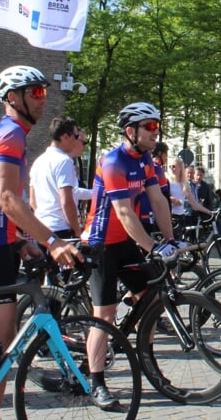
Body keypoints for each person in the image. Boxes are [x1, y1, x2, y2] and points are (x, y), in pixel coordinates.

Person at [0, 65, 81, 420]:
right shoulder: (10, 135)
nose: (43, 101)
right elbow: (8, 199)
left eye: (45, 93)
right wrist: (52, 241)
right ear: (13, 97)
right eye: (36, 93)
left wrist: (20, 240)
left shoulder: (1, 132)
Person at [82, 102, 178, 410]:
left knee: (149, 299)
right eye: (150, 127)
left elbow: (158, 201)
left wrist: (170, 240)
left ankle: (148, 365)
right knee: (105, 316)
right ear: (130, 131)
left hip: (125, 241)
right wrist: (153, 248)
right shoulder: (113, 162)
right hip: (101, 244)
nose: (156, 132)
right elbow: (123, 212)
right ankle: (96, 383)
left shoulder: (146, 160)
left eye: (157, 126)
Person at [29, 117, 90, 240]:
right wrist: (77, 231)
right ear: (64, 137)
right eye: (76, 136)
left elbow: (33, 201)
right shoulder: (64, 161)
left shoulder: (38, 161)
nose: (77, 140)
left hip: (42, 230)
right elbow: (67, 201)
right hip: (61, 230)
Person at [169, 158, 212, 239]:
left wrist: (209, 211)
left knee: (182, 243)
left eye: (174, 166)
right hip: (170, 217)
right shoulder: (167, 182)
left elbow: (194, 204)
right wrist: (172, 199)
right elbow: (161, 196)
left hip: (181, 217)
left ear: (180, 168)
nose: (171, 168)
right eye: (170, 166)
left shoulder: (184, 185)